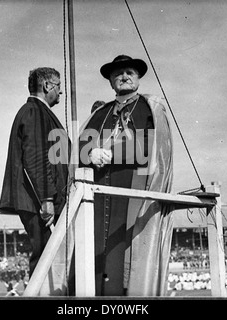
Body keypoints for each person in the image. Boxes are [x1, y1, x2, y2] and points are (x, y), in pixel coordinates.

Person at [78, 54, 174, 296]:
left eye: (129, 72)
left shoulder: (149, 107)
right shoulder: (100, 113)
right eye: (117, 74)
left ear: (138, 78)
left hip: (135, 194)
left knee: (128, 261)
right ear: (110, 82)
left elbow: (150, 145)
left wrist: (110, 154)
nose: (123, 77)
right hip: (99, 198)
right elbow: (78, 147)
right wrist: (90, 154)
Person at [0, 67, 71, 278]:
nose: (61, 92)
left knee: (48, 260)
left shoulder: (38, 112)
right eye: (59, 87)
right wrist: (47, 199)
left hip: (40, 200)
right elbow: (35, 158)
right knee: (44, 261)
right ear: (47, 86)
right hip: (39, 202)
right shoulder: (34, 112)